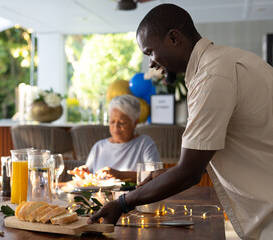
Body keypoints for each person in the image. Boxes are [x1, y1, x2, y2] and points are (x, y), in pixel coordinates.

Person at [88, 4, 273, 240]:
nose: (151, 64)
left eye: (150, 52)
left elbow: (190, 172)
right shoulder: (223, 61)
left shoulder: (213, 75)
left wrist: (123, 202)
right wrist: (168, 174)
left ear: (174, 37)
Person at [69, 94, 161, 182]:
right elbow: (90, 177)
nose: (116, 127)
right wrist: (84, 175)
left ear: (135, 123)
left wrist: (119, 175)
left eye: (121, 123)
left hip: (132, 197)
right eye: (112, 121)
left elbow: (154, 175)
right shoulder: (99, 146)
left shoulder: (145, 143)